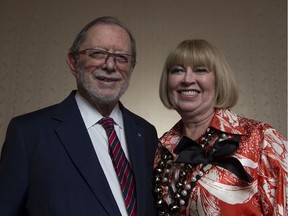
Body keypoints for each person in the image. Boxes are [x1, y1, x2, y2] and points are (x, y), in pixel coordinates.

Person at [0, 16, 158, 216]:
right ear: (73, 62)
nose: (110, 65)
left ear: (132, 67)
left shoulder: (146, 133)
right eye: (98, 53)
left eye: (121, 57)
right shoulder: (28, 133)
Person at [153, 39, 287, 215]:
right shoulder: (161, 150)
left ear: (219, 81)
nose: (187, 79)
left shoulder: (261, 139)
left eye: (200, 70)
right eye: (177, 70)